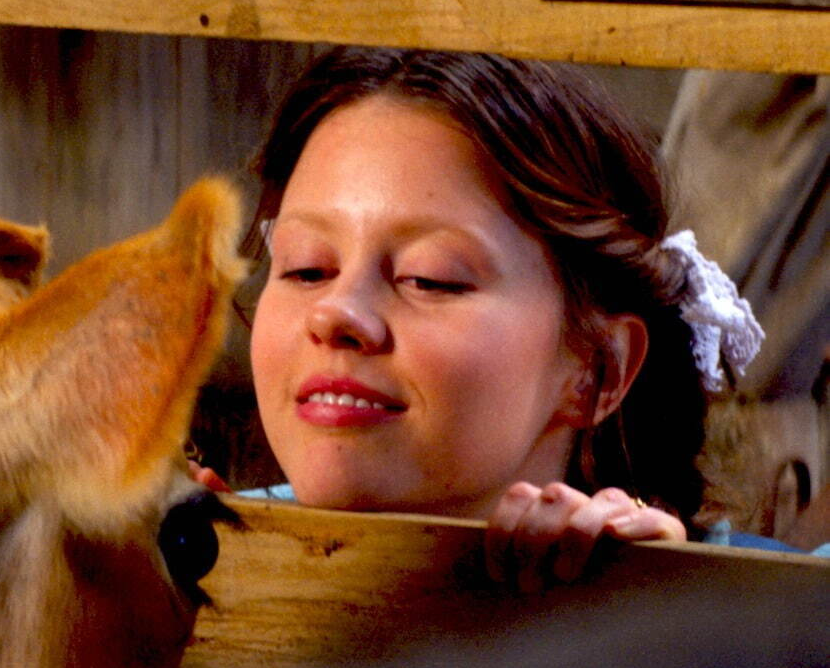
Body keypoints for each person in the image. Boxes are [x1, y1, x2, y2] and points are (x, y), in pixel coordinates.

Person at [192, 47, 775, 588]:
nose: (335, 314)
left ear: (600, 367)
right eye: (305, 269)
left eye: (429, 278)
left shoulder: (758, 615)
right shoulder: (174, 556)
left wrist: (669, 617)